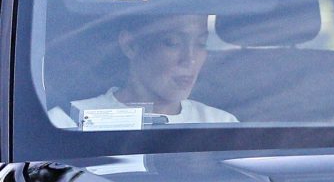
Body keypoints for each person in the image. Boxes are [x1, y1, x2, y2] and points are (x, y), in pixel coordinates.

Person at [48, 14, 236, 128]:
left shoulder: (220, 124)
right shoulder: (69, 121)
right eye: (173, 43)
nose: (190, 59)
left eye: (201, 44)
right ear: (130, 45)